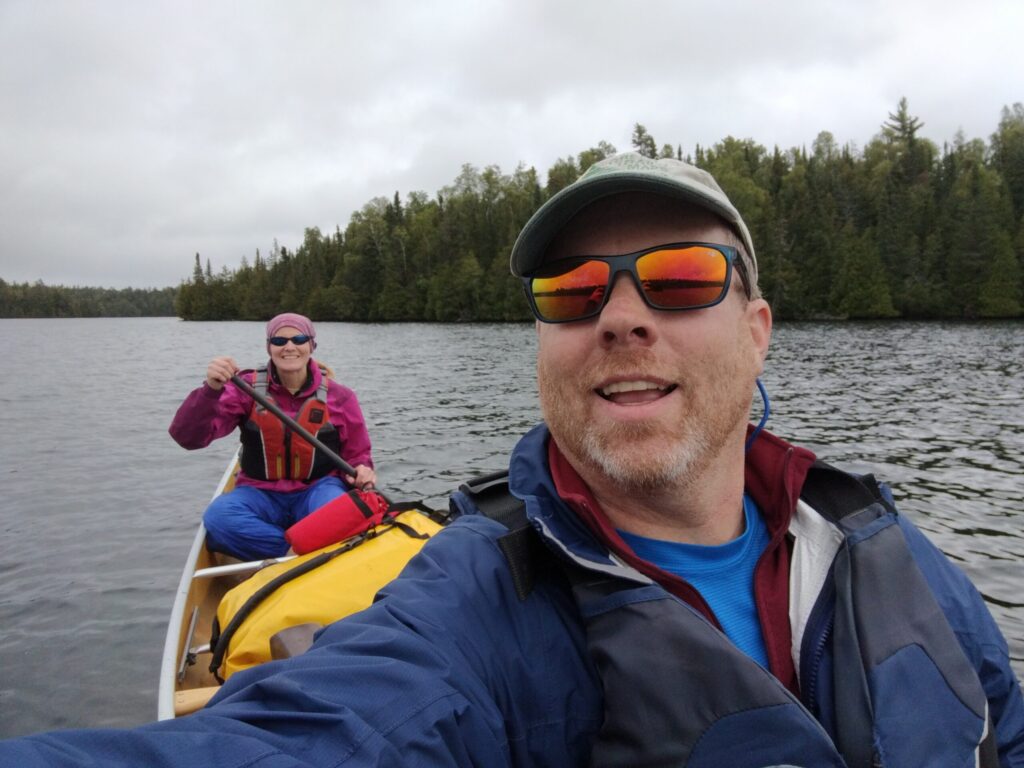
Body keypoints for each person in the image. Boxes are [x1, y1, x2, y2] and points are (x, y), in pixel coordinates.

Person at [4, 154, 1023, 766]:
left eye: (679, 278)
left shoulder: (893, 553)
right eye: (571, 292)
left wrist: (356, 482)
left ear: (757, 332)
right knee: (226, 521)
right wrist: (216, 391)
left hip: (313, 493)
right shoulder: (474, 607)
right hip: (260, 502)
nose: (619, 317)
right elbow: (319, 733)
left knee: (295, 517)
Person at [168, 312, 376, 560]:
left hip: (318, 489)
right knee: (219, 517)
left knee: (340, 512)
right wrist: (211, 390)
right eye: (279, 341)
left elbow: (357, 454)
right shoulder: (244, 389)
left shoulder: (341, 396)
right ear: (269, 347)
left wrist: (362, 469)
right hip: (259, 492)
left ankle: (286, 551)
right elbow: (188, 438)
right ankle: (295, 553)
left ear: (311, 345)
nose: (289, 347)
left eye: (299, 339)